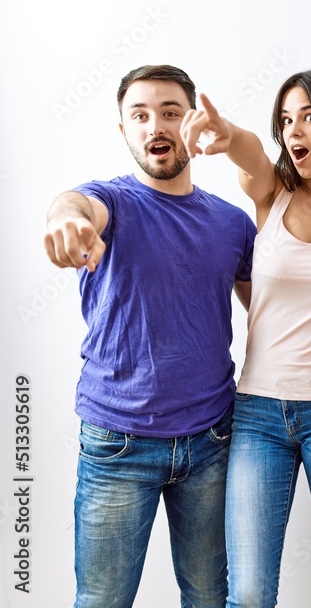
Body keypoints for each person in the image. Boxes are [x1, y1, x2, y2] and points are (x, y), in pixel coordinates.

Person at [42, 64, 255, 608]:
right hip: (118, 441)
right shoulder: (109, 204)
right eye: (139, 115)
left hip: (211, 441)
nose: (154, 125)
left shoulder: (233, 224)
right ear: (124, 130)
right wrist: (66, 220)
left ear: (192, 124)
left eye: (169, 112)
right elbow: (74, 205)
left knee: (209, 596)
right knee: (103, 599)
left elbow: (271, 315)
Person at [180, 69, 311, 608]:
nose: (294, 132)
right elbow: (251, 155)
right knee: (249, 590)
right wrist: (230, 137)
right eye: (286, 121)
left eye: (310, 118)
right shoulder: (272, 192)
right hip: (258, 412)